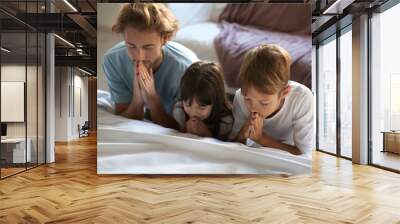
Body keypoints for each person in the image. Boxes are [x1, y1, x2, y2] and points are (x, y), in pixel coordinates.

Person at [102, 3, 197, 129]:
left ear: (165, 39)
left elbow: (185, 129)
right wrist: (138, 97)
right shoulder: (112, 61)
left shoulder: (187, 68)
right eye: (131, 46)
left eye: (148, 47)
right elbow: (124, 119)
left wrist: (153, 100)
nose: (139, 56)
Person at [230, 44, 314, 155]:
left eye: (264, 102)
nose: (252, 108)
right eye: (248, 99)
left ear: (285, 92)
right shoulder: (240, 97)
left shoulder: (302, 99)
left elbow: (304, 153)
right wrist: (243, 133)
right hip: (254, 153)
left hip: (288, 156)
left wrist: (261, 139)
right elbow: (233, 146)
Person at [172, 61, 233, 141]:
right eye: (188, 104)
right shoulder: (180, 112)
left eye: (202, 107)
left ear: (216, 102)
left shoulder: (225, 121)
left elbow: (223, 148)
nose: (193, 112)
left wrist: (207, 135)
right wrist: (185, 131)